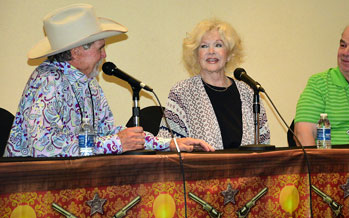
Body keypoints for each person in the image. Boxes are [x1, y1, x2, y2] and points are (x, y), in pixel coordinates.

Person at [4, 4, 214, 157]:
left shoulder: (91, 85)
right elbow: (43, 147)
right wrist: (116, 143)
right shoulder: (46, 81)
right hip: (32, 190)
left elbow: (109, 134)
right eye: (100, 48)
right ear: (77, 51)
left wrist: (169, 143)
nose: (104, 55)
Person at [157, 18, 271, 150]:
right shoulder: (182, 92)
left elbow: (264, 142)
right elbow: (167, 141)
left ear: (229, 54)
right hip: (200, 169)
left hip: (246, 169)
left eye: (218, 45)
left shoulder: (249, 93)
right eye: (204, 46)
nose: (211, 51)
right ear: (196, 55)